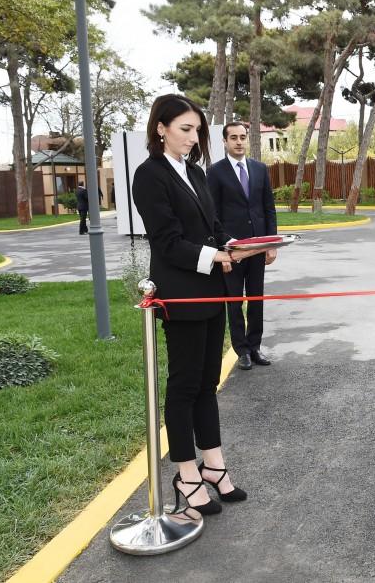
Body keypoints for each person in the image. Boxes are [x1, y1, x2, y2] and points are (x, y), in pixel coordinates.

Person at [132, 94, 265, 520]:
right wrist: (216, 258)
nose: (193, 138)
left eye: (196, 131)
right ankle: (186, 475)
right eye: (185, 129)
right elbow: (167, 242)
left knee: (208, 383)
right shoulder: (149, 175)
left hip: (212, 291)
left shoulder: (194, 172)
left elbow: (213, 226)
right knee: (185, 384)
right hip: (181, 293)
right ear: (161, 128)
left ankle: (214, 465)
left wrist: (235, 246)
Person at [207, 122, 278, 371]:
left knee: (256, 298)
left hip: (258, 246)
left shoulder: (259, 169)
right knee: (235, 300)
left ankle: (255, 346)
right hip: (233, 249)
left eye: (243, 137)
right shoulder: (215, 172)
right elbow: (212, 213)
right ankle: (242, 350)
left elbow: (268, 208)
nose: (239, 142)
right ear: (225, 142)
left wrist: (271, 244)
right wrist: (224, 246)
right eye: (234, 138)